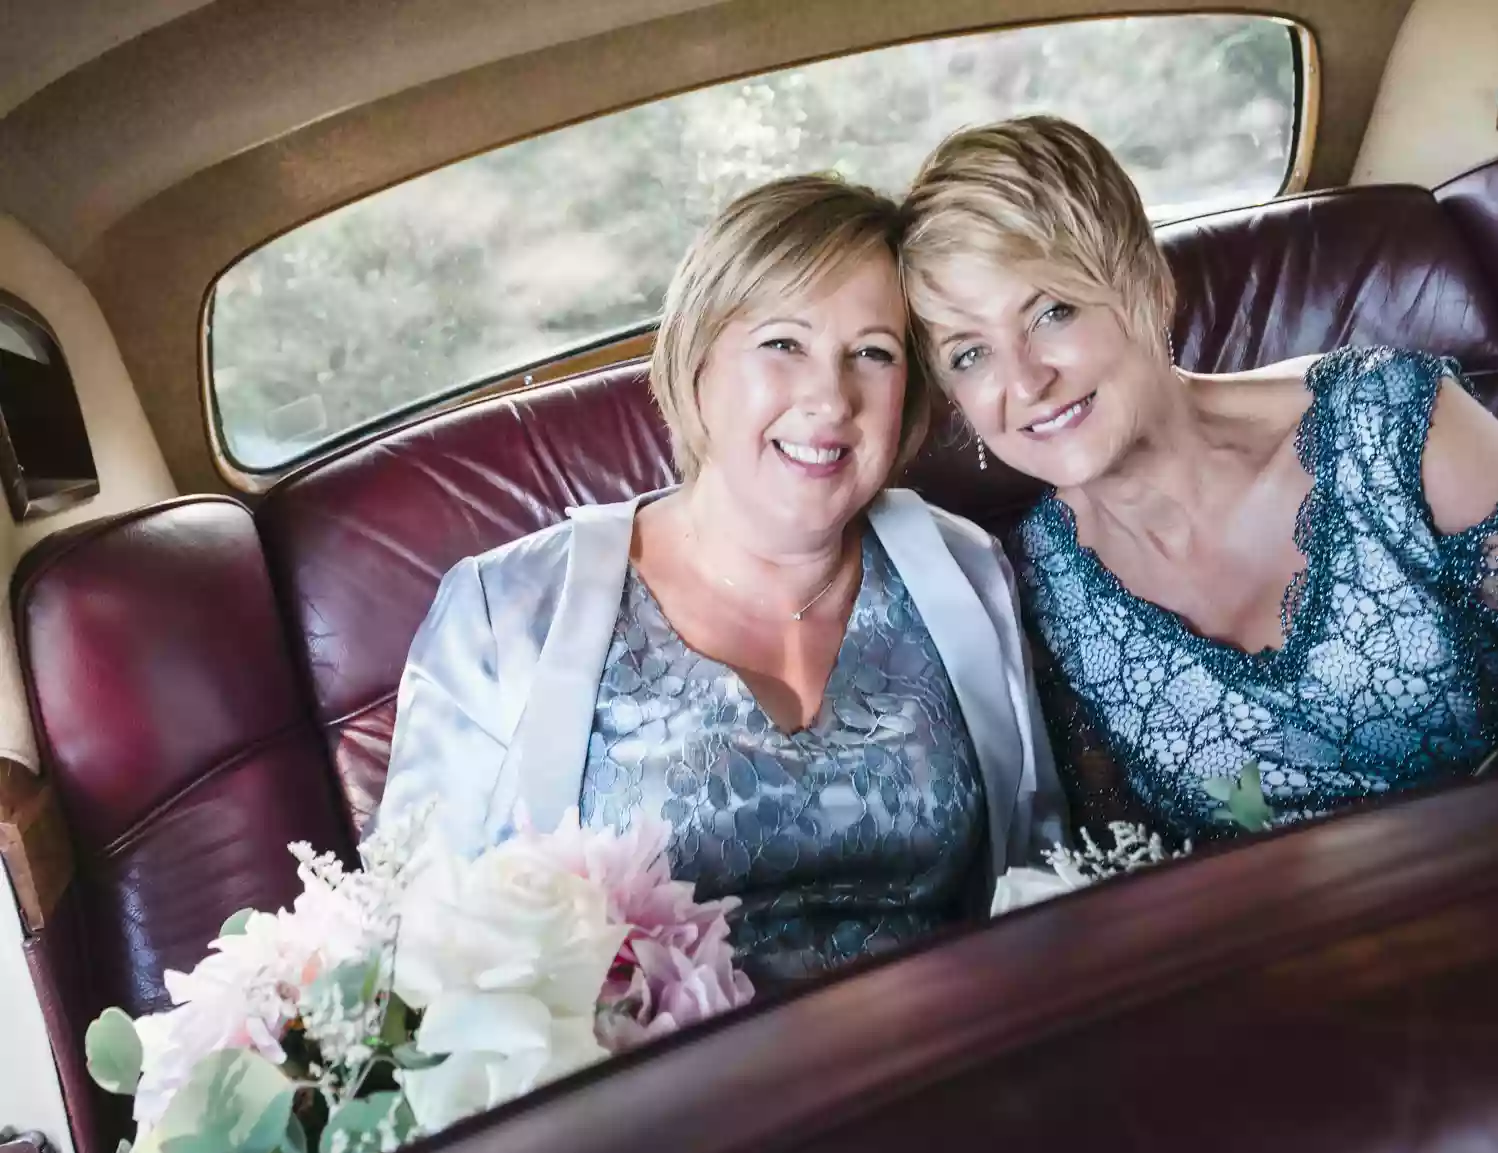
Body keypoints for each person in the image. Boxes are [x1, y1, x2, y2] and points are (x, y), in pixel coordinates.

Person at [898, 116, 1498, 841]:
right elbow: (1137, 874)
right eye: (969, 354)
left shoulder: (1394, 423)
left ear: (1148, 286)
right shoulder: (1036, 596)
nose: (1023, 380)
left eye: (1053, 310)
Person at [378, 175, 1064, 986]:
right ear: (697, 362)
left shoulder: (966, 567)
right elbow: (407, 956)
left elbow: (1041, 876)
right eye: (783, 343)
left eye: (872, 355)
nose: (829, 397)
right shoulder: (504, 614)